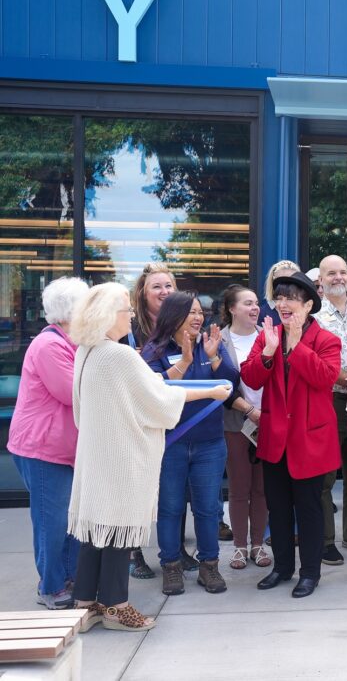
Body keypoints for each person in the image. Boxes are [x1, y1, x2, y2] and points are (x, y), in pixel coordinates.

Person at [68, 283, 228, 630]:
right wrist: (211, 393)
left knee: (97, 529)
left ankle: (86, 603)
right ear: (108, 316)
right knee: (118, 530)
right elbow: (157, 398)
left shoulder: (88, 350)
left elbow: (84, 409)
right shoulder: (119, 355)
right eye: (125, 310)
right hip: (121, 456)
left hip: (96, 453)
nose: (130, 315)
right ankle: (116, 607)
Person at [241, 271, 342, 598]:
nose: (283, 305)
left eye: (292, 299)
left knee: (309, 510)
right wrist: (269, 352)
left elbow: (325, 378)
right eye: (279, 298)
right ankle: (282, 567)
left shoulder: (326, 339)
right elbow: (251, 378)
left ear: (309, 304)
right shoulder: (267, 336)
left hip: (309, 440)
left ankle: (310, 573)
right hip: (275, 439)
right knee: (279, 509)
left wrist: (297, 345)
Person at [142, 292, 238, 596]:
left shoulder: (210, 344)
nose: (198, 318)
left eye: (201, 312)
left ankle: (209, 566)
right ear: (174, 315)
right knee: (170, 507)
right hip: (171, 443)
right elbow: (153, 392)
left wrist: (213, 357)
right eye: (191, 312)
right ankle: (170, 567)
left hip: (209, 442)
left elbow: (230, 385)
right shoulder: (153, 350)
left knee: (209, 508)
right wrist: (183, 362)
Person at [9, 277, 89, 609]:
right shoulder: (49, 345)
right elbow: (71, 391)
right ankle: (51, 586)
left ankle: (69, 577)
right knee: (51, 522)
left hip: (65, 450)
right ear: (72, 310)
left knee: (70, 520)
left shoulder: (71, 342)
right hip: (44, 450)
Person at [126, 263, 177, 579]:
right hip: (139, 419)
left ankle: (175, 551)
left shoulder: (181, 324)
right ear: (142, 294)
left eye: (169, 286)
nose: (164, 292)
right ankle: (132, 552)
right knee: (140, 488)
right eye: (157, 287)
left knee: (173, 492)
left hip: (172, 418)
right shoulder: (131, 329)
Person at [219, 285, 271, 570]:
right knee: (239, 489)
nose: (255, 308)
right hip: (236, 423)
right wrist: (250, 412)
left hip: (268, 422)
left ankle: (258, 545)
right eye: (248, 303)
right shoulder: (220, 341)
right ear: (231, 308)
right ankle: (239, 547)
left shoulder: (268, 338)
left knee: (262, 490)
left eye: (256, 303)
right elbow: (220, 384)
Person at [313, 254, 347, 565]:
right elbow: (315, 361)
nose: (338, 278)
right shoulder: (313, 318)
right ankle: (326, 541)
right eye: (332, 273)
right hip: (329, 401)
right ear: (322, 280)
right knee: (325, 477)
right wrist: (346, 377)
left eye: (342, 272)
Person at [258, 260, 301, 325]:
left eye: (291, 282)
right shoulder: (262, 313)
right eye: (281, 282)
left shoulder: (305, 310)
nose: (286, 287)